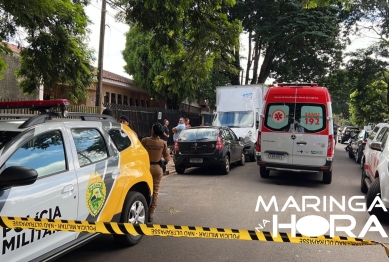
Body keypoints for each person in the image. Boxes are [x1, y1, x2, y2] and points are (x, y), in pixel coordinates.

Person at [141, 122, 171, 222]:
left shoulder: (145, 141)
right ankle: (150, 214)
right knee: (155, 192)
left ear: (153, 131)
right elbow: (167, 158)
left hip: (146, 168)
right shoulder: (162, 143)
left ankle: (143, 211)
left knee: (143, 190)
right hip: (157, 168)